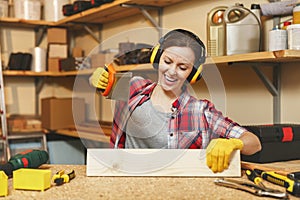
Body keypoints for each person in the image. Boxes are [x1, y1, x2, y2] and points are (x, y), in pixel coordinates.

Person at [89, 29, 262, 173]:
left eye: (182, 67)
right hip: (125, 179)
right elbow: (104, 84)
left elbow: (254, 143)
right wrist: (96, 80)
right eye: (168, 61)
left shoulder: (201, 111)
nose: (172, 71)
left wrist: (233, 143)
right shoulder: (134, 87)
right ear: (157, 58)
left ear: (193, 73)